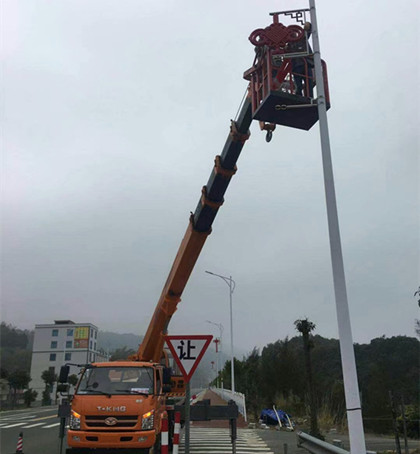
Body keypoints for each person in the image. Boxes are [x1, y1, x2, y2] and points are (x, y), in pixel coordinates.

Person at [289, 22, 314, 97]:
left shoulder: (301, 38)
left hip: (305, 64)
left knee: (308, 83)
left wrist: (308, 26)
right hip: (297, 66)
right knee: (299, 85)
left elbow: (308, 31)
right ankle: (300, 95)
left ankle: (309, 97)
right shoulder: (289, 46)